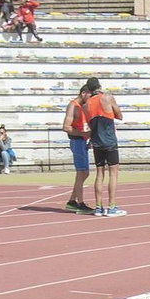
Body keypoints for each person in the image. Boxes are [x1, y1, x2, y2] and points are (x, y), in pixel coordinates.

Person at [82, 77, 125, 216]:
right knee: (113, 174)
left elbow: (90, 124)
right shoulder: (107, 97)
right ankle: (112, 206)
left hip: (97, 141)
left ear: (88, 90)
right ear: (99, 86)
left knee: (99, 174)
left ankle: (99, 207)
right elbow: (119, 115)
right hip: (110, 140)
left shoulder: (86, 105)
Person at [63, 85, 94, 211]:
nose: (91, 99)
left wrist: (89, 137)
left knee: (84, 173)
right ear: (83, 93)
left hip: (82, 141)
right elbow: (66, 127)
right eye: (90, 96)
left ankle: (72, 201)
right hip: (77, 141)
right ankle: (80, 203)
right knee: (81, 172)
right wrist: (83, 134)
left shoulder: (83, 107)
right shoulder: (73, 106)